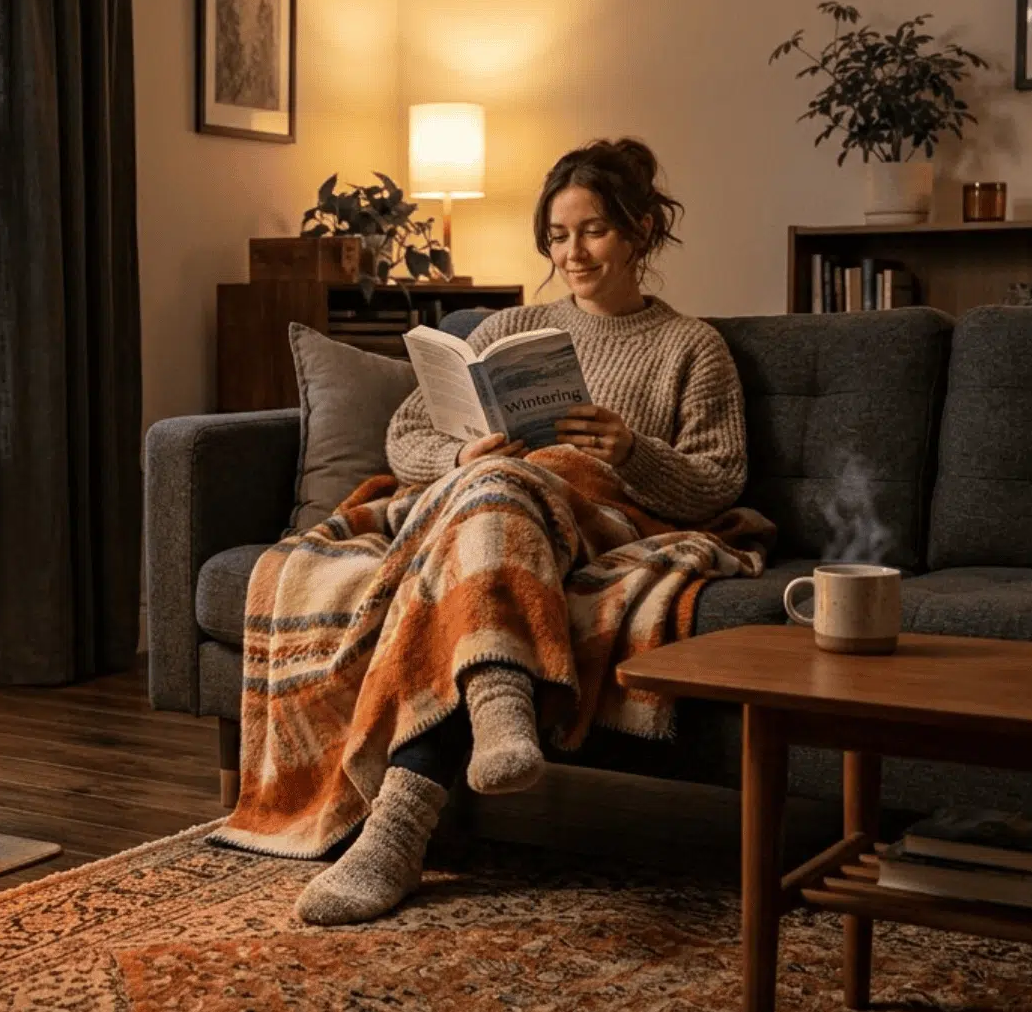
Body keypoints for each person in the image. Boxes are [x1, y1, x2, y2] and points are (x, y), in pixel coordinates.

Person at [294, 138, 749, 925]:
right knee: (493, 484)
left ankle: (397, 830)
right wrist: (462, 451)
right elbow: (406, 436)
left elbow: (719, 480)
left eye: (594, 230)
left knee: (497, 490)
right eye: (558, 235)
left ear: (642, 231)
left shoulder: (691, 345)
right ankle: (490, 709)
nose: (572, 252)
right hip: (497, 511)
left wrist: (631, 451)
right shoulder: (512, 325)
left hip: (601, 520)